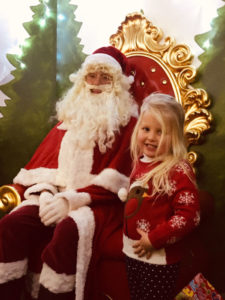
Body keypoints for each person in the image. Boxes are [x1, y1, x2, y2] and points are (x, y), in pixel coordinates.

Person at [0, 46, 138, 300]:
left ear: (117, 83)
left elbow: (121, 176)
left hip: (97, 202)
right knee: (12, 224)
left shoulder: (128, 123)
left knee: (68, 231)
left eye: (105, 78)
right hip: (55, 193)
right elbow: (44, 165)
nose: (96, 84)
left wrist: (71, 200)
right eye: (91, 76)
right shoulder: (72, 115)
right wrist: (45, 194)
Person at [121, 93, 200, 300]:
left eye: (161, 132)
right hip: (132, 252)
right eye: (146, 129)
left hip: (159, 258)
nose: (151, 137)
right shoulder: (141, 160)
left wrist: (155, 239)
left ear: (174, 136)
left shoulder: (178, 169)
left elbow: (189, 215)